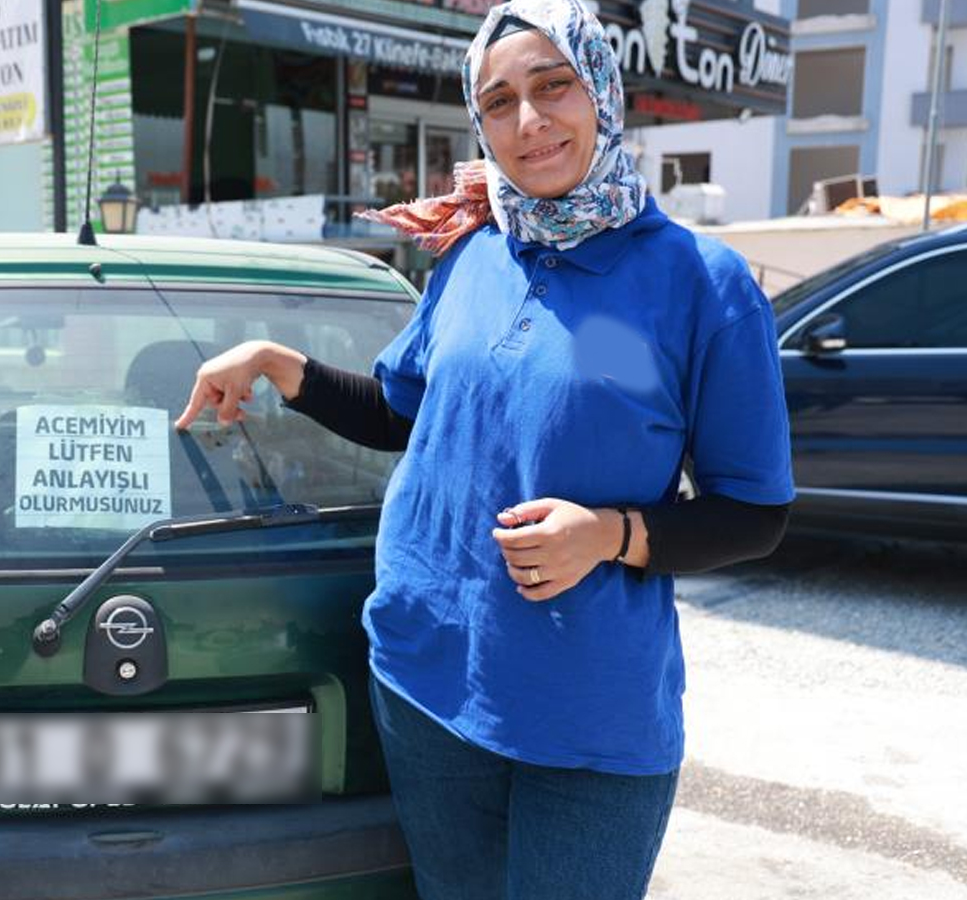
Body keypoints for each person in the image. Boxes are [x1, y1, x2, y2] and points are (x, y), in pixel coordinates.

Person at [173, 1, 795, 898]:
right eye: (499, 102)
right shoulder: (473, 255)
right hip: (426, 679)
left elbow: (758, 513)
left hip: (590, 720)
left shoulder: (699, 284)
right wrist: (279, 363)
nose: (529, 122)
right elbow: (401, 411)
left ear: (604, 94)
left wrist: (611, 534)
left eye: (554, 87)